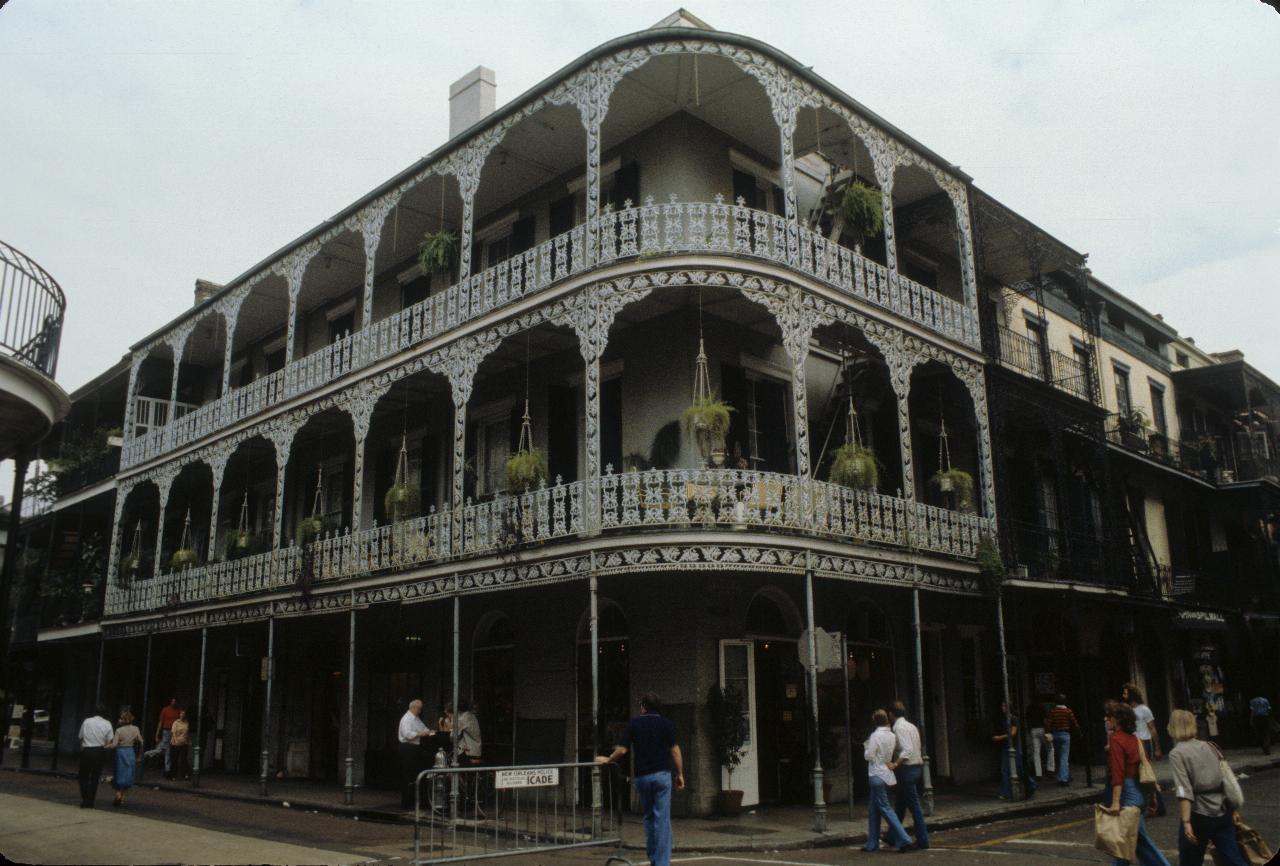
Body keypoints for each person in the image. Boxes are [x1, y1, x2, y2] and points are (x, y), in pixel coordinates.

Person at [595, 692, 684, 866]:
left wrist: (608, 759)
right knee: (662, 820)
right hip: (662, 776)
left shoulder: (634, 724)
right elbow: (675, 750)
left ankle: (653, 858)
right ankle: (661, 863)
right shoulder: (667, 724)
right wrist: (680, 774)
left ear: (643, 706)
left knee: (649, 818)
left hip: (643, 777)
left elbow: (622, 750)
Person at [1167, 708, 1247, 866]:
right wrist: (1233, 809)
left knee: (1190, 860)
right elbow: (1226, 779)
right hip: (1222, 810)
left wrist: (1186, 822)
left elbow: (1184, 790)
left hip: (1199, 813)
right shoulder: (1211, 746)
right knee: (1233, 859)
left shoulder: (1177, 753)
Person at [1104, 701, 1171, 866]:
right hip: (1140, 791)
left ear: (1117, 720)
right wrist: (1152, 794)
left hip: (1127, 793)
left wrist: (1115, 801)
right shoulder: (1136, 739)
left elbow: (1118, 773)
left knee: (1133, 838)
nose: (1106, 719)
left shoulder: (1116, 739)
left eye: (1109, 716)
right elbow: (1145, 766)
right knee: (1133, 839)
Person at [862, 708, 913, 853]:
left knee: (885, 808)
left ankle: (904, 839)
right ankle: (872, 844)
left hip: (875, 774)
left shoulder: (875, 736)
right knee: (873, 810)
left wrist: (866, 748)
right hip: (886, 773)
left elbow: (869, 756)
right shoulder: (891, 735)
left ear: (875, 721)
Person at [888, 701, 929, 850]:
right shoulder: (911, 726)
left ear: (891, 714)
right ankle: (891, 836)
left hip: (907, 768)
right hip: (916, 766)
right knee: (900, 804)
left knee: (914, 806)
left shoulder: (898, 728)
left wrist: (895, 763)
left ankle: (923, 840)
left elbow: (907, 750)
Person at [1125, 684, 1165, 817]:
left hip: (1144, 744)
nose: (1123, 696)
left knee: (1146, 775)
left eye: (1125, 693)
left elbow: (1152, 728)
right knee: (1138, 776)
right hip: (1133, 744)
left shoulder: (1144, 710)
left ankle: (1158, 806)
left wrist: (1158, 748)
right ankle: (1146, 805)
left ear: (1132, 695)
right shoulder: (1127, 710)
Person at [993, 700, 1035, 799]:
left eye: (1004, 706)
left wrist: (1000, 737)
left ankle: (1031, 785)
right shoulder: (1003, 719)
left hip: (1014, 747)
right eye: (1002, 705)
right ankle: (1006, 792)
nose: (1002, 707)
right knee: (1004, 769)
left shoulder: (1013, 719)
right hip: (1005, 747)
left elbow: (1013, 733)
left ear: (1008, 707)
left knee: (1019, 769)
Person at [397, 699, 435, 809]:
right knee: (407, 775)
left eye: (421, 709)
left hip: (415, 748)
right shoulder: (407, 719)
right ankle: (406, 804)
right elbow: (408, 734)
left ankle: (417, 802)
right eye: (419, 709)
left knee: (416, 774)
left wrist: (431, 732)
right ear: (412, 707)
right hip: (407, 748)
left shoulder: (416, 719)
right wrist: (422, 733)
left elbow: (425, 729)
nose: (420, 711)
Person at [77, 704, 115, 808]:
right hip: (99, 750)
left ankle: (85, 797)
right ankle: (91, 800)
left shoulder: (86, 721)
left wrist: (82, 747)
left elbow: (81, 736)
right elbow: (109, 741)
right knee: (95, 776)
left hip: (87, 750)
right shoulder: (108, 723)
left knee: (83, 776)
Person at [1047, 694, 1082, 786]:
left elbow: (1049, 723)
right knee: (1064, 757)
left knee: (1060, 756)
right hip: (1065, 734)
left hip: (1056, 734)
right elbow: (1075, 723)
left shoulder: (1053, 711)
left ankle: (1066, 775)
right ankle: (1063, 778)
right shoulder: (1068, 711)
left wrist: (1048, 732)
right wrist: (1079, 732)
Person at [111, 710, 143, 807]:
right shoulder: (136, 729)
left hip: (120, 752)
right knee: (128, 774)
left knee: (119, 773)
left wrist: (106, 745)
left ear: (123, 720)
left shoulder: (119, 730)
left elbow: (114, 744)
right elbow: (141, 741)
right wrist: (139, 755)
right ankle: (123, 796)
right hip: (130, 752)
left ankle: (118, 794)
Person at [1024, 696, 1054, 779]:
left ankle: (1038, 773)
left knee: (1036, 752)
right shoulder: (1042, 707)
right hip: (1043, 729)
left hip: (1033, 730)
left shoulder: (1029, 707)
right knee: (1050, 749)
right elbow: (1046, 718)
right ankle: (1050, 769)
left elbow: (1027, 718)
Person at [152, 697, 180, 779]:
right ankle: (167, 769)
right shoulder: (165, 710)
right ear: (170, 702)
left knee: (174, 751)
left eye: (175, 702)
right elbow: (161, 722)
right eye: (172, 701)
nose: (174, 703)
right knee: (167, 750)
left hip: (175, 732)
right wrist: (157, 734)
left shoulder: (178, 711)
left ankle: (172, 769)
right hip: (167, 731)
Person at [456, 699, 482, 765]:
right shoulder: (473, 717)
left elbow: (454, 735)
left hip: (468, 752)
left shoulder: (462, 718)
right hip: (477, 750)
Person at [170, 709, 190, 780]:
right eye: (181, 714)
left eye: (184, 714)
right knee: (174, 760)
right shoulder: (176, 722)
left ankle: (185, 774)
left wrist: (188, 740)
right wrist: (176, 742)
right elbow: (173, 733)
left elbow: (186, 733)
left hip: (184, 743)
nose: (182, 715)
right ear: (179, 715)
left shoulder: (186, 723)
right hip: (175, 744)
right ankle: (173, 776)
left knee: (184, 759)